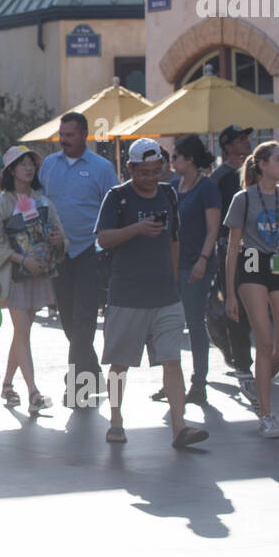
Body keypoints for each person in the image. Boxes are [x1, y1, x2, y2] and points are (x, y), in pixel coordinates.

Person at [94, 138, 208, 448]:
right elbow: (103, 238)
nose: (150, 178)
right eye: (143, 172)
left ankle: (179, 426)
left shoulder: (169, 193)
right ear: (129, 168)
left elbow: (174, 240)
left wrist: (173, 281)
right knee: (120, 364)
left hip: (165, 297)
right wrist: (137, 229)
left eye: (156, 171)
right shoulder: (117, 197)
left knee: (172, 360)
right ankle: (116, 421)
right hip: (126, 295)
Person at [223, 141, 279, 439]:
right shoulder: (243, 198)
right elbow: (232, 248)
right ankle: (267, 414)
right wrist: (230, 293)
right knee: (263, 341)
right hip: (250, 265)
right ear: (262, 165)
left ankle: (256, 382)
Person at [38, 112, 118, 407]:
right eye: (61, 134)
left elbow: (113, 206)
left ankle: (78, 388)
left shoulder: (102, 168)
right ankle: (93, 372)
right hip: (59, 255)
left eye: (69, 135)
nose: (64, 140)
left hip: (89, 252)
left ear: (84, 134)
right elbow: (41, 204)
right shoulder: (49, 165)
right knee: (69, 321)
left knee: (84, 319)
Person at [0, 145, 64, 413]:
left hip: (39, 276)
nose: (29, 168)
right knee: (22, 332)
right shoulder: (0, 204)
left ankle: (7, 384)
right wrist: (21, 259)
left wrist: (57, 242)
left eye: (31, 163)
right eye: (22, 164)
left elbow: (61, 236)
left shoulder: (42, 201)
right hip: (14, 277)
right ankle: (33, 392)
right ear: (11, 170)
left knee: (22, 333)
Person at [166, 134, 221, 404]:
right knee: (169, 323)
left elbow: (213, 228)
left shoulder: (207, 187)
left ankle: (199, 382)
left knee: (195, 322)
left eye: (175, 156)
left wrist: (203, 259)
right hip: (173, 264)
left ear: (189, 159)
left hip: (194, 263)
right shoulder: (174, 187)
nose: (172, 161)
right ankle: (171, 382)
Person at [210, 124, 256, 396]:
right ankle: (241, 358)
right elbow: (215, 217)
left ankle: (248, 356)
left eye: (246, 139)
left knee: (256, 304)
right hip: (229, 247)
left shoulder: (254, 173)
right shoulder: (221, 177)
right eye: (240, 140)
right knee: (234, 302)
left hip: (257, 248)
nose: (246, 143)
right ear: (227, 146)